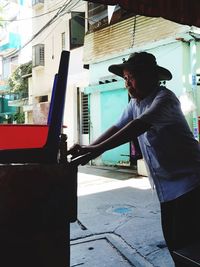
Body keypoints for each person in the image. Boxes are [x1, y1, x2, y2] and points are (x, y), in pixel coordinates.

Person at [68, 52, 200, 266]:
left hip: (190, 184)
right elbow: (117, 127)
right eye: (126, 78)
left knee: (188, 246)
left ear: (151, 77)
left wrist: (94, 150)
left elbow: (137, 126)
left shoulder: (164, 99)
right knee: (175, 246)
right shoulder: (135, 104)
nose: (128, 84)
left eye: (133, 77)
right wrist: (91, 149)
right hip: (167, 189)